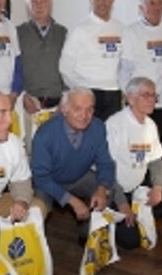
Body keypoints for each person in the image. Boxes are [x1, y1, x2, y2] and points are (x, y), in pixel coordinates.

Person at [31, 88, 116, 245]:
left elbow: (105, 163)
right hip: (49, 182)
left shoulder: (98, 127)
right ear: (64, 109)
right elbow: (40, 177)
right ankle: (40, 245)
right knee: (37, 211)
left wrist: (102, 188)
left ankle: (87, 235)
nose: (84, 115)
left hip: (79, 176)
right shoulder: (45, 134)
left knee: (109, 188)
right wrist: (71, 200)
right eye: (77, 109)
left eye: (89, 109)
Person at [105, 77, 162, 247]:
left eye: (154, 95)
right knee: (130, 242)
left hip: (137, 189)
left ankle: (138, 215)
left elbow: (156, 160)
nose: (151, 100)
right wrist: (122, 204)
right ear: (130, 98)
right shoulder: (115, 124)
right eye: (146, 95)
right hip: (114, 191)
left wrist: (158, 187)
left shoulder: (150, 124)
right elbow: (106, 170)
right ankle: (114, 219)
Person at [118, 0, 162, 162]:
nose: (156, 7)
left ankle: (159, 179)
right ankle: (139, 179)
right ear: (141, 7)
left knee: (161, 149)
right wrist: (130, 96)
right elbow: (124, 70)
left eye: (160, 3)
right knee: (139, 149)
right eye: (152, 3)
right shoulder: (131, 32)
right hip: (140, 102)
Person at [0, 89, 44, 220]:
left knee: (38, 207)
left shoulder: (13, 143)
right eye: (2, 113)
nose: (10, 120)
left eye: (10, 112)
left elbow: (21, 181)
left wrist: (21, 202)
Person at [59, 0, 124, 121]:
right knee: (87, 132)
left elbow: (126, 63)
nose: (102, 1)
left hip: (114, 92)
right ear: (91, 0)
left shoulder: (121, 28)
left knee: (111, 133)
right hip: (89, 92)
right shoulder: (80, 30)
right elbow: (65, 65)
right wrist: (79, 89)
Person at [15, 0, 67, 150]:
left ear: (50, 4)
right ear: (28, 6)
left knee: (56, 149)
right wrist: (23, 96)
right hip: (30, 103)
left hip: (58, 103)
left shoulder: (63, 33)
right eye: (34, 2)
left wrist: (65, 99)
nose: (39, 6)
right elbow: (13, 68)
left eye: (43, 1)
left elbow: (70, 68)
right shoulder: (17, 33)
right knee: (31, 149)